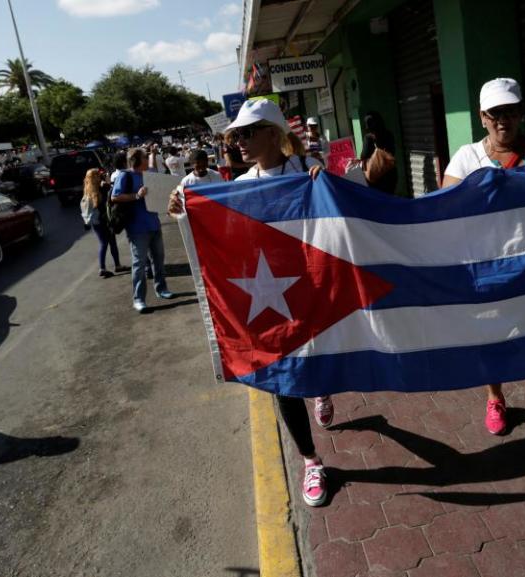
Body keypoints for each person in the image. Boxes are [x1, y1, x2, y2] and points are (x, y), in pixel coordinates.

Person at [168, 99, 335, 506]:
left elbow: (339, 221)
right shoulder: (241, 188)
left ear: (274, 135)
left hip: (312, 290)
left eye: (246, 133)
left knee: (320, 361)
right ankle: (311, 460)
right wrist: (184, 214)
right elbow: (220, 235)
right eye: (234, 135)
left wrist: (324, 181)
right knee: (283, 379)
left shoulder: (307, 172)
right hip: (269, 297)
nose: (237, 142)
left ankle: (323, 390)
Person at [441, 77, 525, 458]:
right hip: (490, 274)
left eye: (511, 111)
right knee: (493, 343)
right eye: (495, 113)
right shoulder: (467, 158)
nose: (504, 120)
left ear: (521, 113)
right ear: (482, 117)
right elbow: (443, 208)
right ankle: (495, 398)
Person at [111, 148, 174, 313]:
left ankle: (161, 289)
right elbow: (115, 197)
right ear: (137, 160)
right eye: (145, 157)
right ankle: (138, 299)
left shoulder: (149, 174)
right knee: (139, 264)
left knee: (158, 259)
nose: (148, 159)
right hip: (137, 228)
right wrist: (136, 196)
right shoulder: (126, 176)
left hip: (154, 224)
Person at [81, 168, 128, 278]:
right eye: (98, 175)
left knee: (106, 242)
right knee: (109, 243)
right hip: (105, 221)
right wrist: (106, 181)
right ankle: (107, 267)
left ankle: (112, 266)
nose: (100, 176)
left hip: (95, 222)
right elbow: (112, 193)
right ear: (96, 177)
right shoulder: (101, 188)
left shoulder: (87, 190)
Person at [359, 112, 398, 194]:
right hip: (391, 174)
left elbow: (364, 156)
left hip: (377, 176)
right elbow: (392, 152)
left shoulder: (368, 138)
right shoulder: (389, 134)